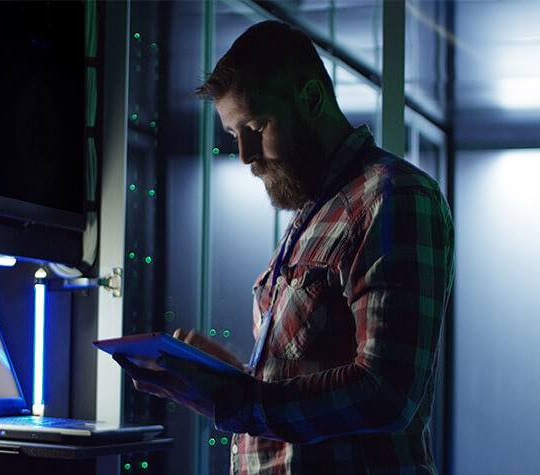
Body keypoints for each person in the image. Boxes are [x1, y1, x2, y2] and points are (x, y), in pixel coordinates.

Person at [112, 20, 455, 474]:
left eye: (256, 126)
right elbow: (304, 378)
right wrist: (230, 377)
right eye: (235, 134)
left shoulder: (394, 197)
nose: (245, 154)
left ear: (311, 99)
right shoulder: (314, 214)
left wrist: (237, 398)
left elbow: (387, 394)